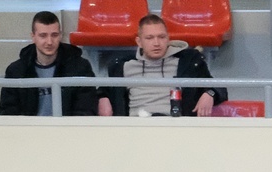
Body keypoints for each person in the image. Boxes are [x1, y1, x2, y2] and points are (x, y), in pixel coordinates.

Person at [97, 14, 226, 117]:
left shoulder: (188, 62)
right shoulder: (122, 66)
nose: (156, 43)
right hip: (135, 127)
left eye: (161, 37)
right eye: (149, 38)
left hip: (175, 126)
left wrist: (209, 94)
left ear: (168, 38)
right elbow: (101, 90)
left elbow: (218, 87)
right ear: (139, 41)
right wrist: (102, 97)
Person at [0, 10, 98, 117]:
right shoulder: (16, 71)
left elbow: (86, 110)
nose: (49, 42)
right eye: (43, 36)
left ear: (60, 35)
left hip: (67, 127)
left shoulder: (80, 67)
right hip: (29, 127)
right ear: (33, 37)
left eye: (54, 35)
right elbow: (8, 113)